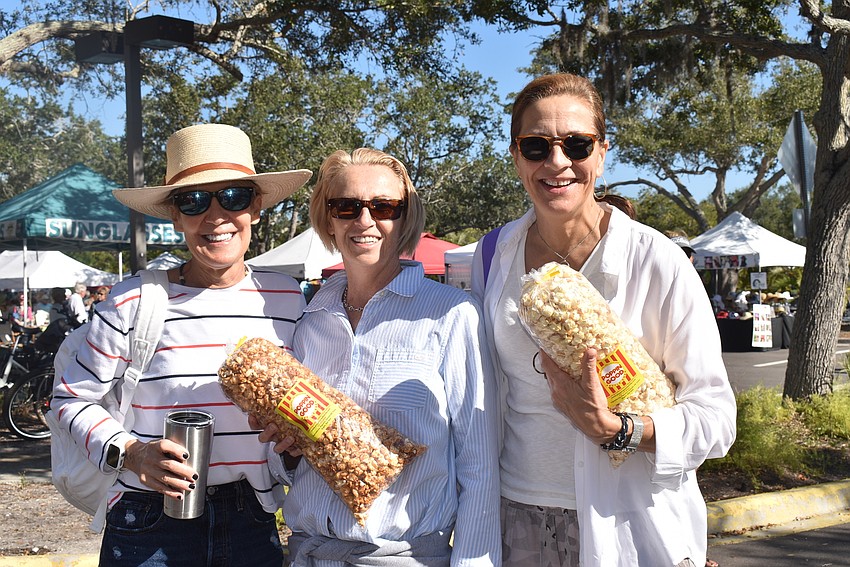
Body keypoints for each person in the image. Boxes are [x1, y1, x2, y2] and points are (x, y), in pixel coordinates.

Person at [470, 73, 736, 567]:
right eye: (536, 146)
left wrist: (619, 428)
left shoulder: (656, 259)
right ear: (515, 156)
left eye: (577, 144)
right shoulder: (491, 256)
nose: (557, 163)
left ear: (603, 152)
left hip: (632, 520)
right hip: (517, 516)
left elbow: (716, 420)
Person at [50, 123, 312, 566]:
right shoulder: (133, 300)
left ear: (257, 207)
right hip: (148, 518)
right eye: (193, 201)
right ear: (175, 216)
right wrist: (134, 453)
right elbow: (70, 399)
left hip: (252, 517)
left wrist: (292, 444)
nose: (215, 217)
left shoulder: (287, 299)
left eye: (233, 196)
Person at [260, 148, 501, 566]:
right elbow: (284, 468)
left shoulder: (451, 314)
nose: (365, 220)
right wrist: (288, 451)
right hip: (310, 553)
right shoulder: (308, 321)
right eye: (347, 206)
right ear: (328, 218)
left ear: (405, 216)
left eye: (384, 206)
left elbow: (479, 465)